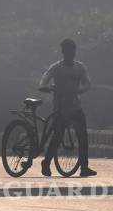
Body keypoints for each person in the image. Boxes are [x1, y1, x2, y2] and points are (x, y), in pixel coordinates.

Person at [38, 38, 96, 177]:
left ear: (75, 52)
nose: (71, 54)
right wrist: (48, 88)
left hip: (75, 106)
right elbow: (42, 83)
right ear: (63, 52)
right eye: (68, 51)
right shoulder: (56, 67)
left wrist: (81, 90)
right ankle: (46, 163)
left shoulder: (80, 67)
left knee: (83, 137)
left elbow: (88, 83)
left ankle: (84, 167)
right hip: (60, 107)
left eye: (73, 51)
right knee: (57, 136)